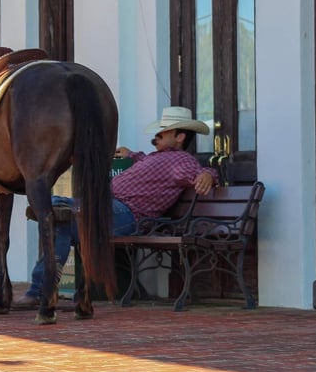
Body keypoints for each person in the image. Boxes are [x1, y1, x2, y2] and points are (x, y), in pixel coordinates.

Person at [14, 106, 219, 308]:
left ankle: (39, 291)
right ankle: (42, 290)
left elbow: (197, 172)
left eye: (163, 131)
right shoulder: (157, 157)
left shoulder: (182, 161)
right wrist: (131, 154)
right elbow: (145, 160)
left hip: (127, 214)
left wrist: (209, 174)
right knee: (61, 220)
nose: (157, 135)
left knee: (59, 214)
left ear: (180, 137)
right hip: (109, 206)